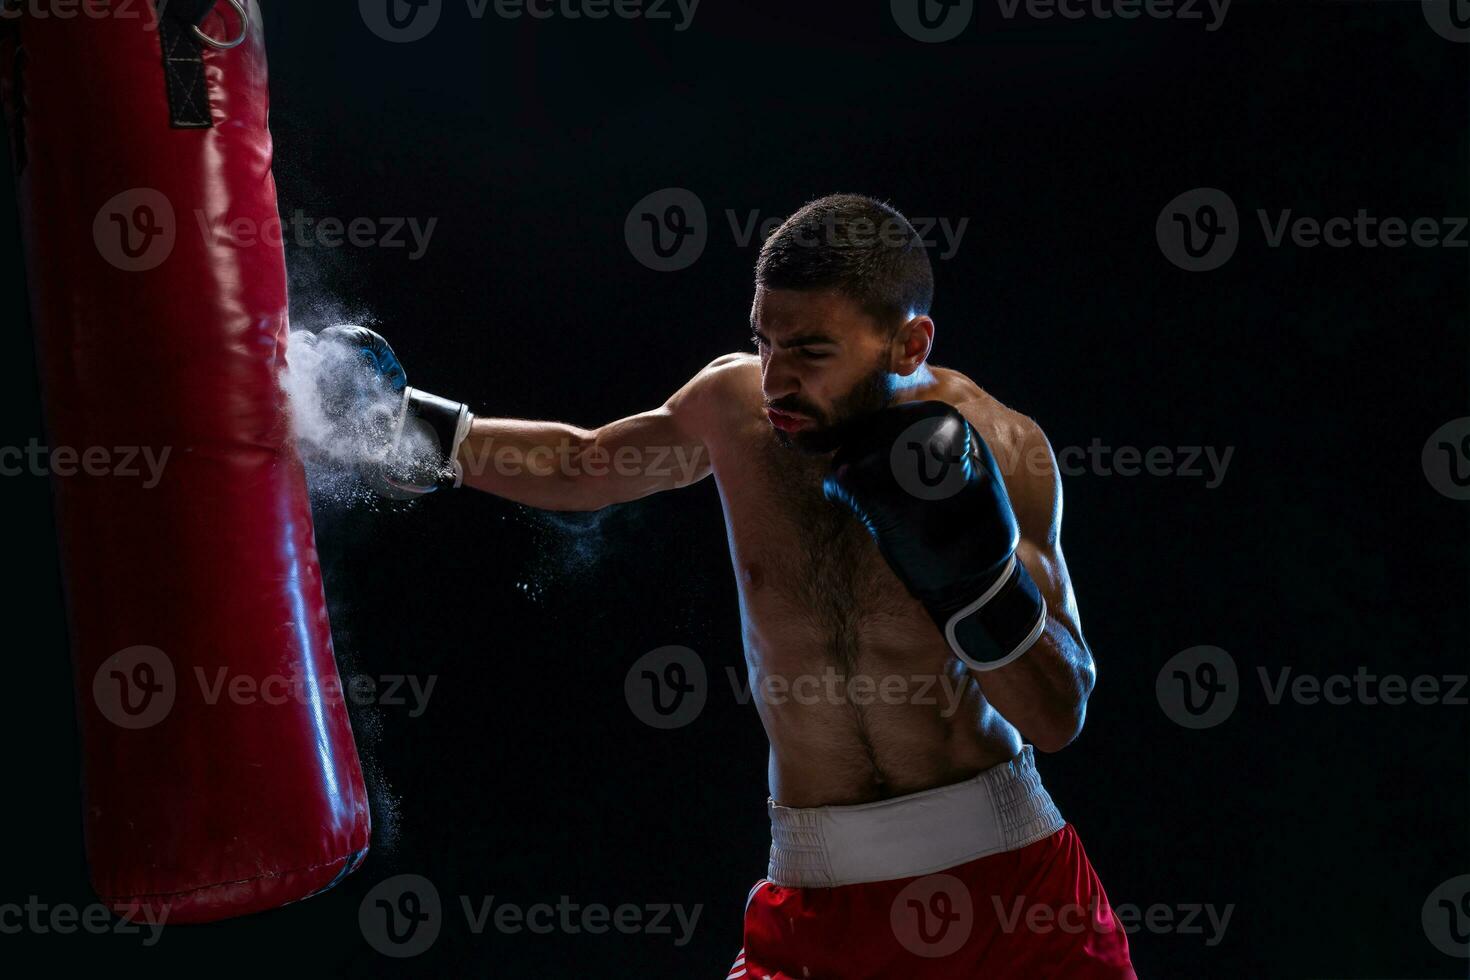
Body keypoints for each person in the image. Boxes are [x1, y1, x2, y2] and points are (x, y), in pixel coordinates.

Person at [331, 194, 1135, 977]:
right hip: (815, 904)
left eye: (812, 352)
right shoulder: (734, 406)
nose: (777, 379)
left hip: (1011, 900)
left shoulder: (1004, 446)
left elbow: (1058, 714)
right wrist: (401, 427)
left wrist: (976, 579)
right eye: (765, 342)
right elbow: (584, 466)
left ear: (909, 345)